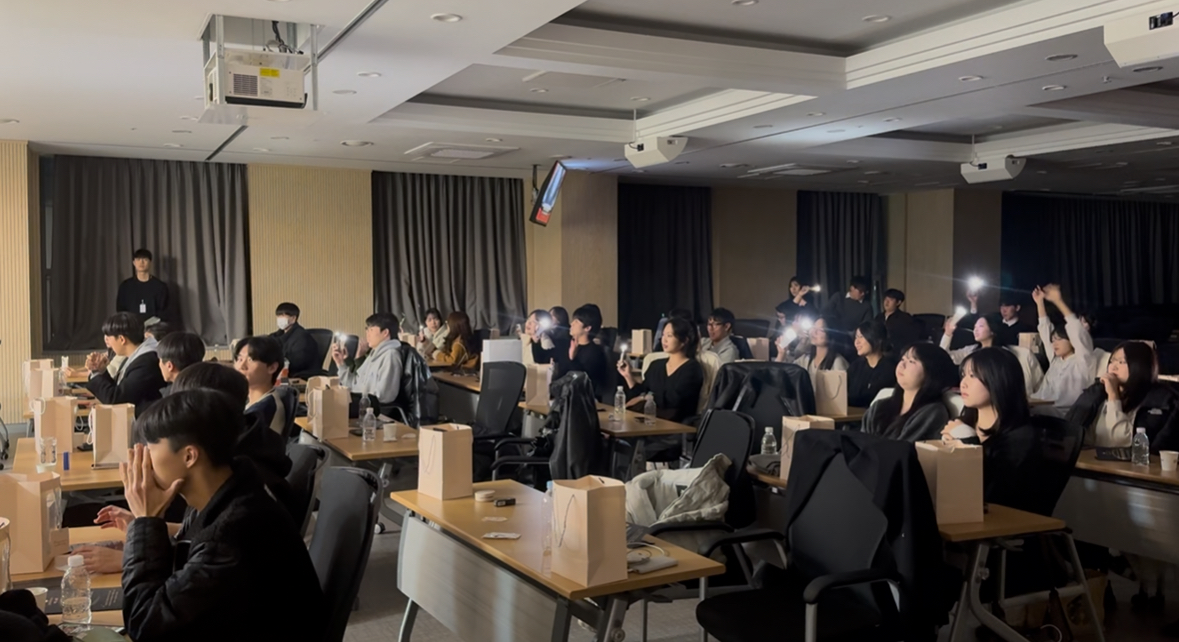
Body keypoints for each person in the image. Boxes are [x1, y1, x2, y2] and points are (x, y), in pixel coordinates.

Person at [117, 390, 325, 642]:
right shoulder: (230, 492)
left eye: (150, 448)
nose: (143, 462)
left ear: (189, 456)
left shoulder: (230, 535)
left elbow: (145, 625)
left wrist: (145, 523)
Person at [77, 362, 296, 575]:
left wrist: (143, 531)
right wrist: (145, 529)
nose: (145, 458)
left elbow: (207, 552)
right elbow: (195, 540)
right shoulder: (233, 473)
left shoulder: (234, 516)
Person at [1067, 342, 1179, 450]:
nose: (1113, 367)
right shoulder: (1097, 392)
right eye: (1112, 361)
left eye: (1121, 362)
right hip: (1087, 460)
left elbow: (1120, 443)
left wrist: (1113, 395)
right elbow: (1072, 433)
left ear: (1139, 365)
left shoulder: (1158, 400)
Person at [861, 343, 958, 442]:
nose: (902, 365)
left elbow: (901, 448)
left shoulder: (933, 412)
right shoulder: (879, 406)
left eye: (911, 361)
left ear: (931, 371)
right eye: (903, 359)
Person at [617, 317, 705, 423]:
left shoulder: (692, 368)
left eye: (669, 336)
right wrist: (628, 376)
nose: (664, 340)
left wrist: (645, 397)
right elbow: (641, 393)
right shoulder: (656, 365)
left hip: (675, 424)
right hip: (648, 419)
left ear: (684, 341)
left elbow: (675, 400)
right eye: (663, 335)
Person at [941, 313, 1043, 396]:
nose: (975, 329)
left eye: (981, 326)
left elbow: (1039, 383)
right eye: (974, 327)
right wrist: (948, 334)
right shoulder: (972, 352)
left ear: (993, 330)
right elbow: (943, 356)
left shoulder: (1019, 354)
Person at [85, 312, 166, 416]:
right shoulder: (138, 355)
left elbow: (118, 399)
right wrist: (100, 370)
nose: (107, 342)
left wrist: (95, 374)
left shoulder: (146, 361)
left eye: (109, 337)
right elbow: (120, 389)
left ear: (122, 339)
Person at [1030, 285, 1096, 410]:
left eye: (1059, 339)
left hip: (1061, 413)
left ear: (1072, 341)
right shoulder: (1055, 358)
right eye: (1053, 340)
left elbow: (1076, 330)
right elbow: (1045, 329)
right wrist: (1039, 302)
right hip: (1039, 405)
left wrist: (1058, 301)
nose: (1055, 344)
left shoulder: (1082, 361)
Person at [333, 313, 403, 406]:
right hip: (361, 403)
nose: (367, 334)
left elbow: (383, 396)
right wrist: (341, 363)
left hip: (373, 409)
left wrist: (357, 399)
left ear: (385, 332)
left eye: (371, 330)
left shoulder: (391, 356)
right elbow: (353, 384)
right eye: (367, 329)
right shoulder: (373, 354)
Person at [553, 304, 610, 397]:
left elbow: (583, 381)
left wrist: (572, 359)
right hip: (563, 395)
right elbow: (560, 376)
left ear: (587, 328)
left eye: (576, 322)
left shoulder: (595, 352)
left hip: (582, 399)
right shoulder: (569, 345)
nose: (571, 324)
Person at [235, 336, 287, 436]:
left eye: (250, 360)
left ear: (272, 368)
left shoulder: (265, 409)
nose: (241, 366)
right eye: (239, 359)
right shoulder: (253, 401)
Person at [775, 316, 848, 378]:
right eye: (814, 327)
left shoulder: (837, 363)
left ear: (831, 335)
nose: (814, 332)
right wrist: (781, 354)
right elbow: (785, 375)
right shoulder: (805, 359)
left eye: (821, 330)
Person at [847, 321, 897, 408]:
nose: (857, 342)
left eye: (861, 337)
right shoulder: (856, 366)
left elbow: (871, 398)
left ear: (876, 339)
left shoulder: (889, 369)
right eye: (856, 337)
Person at [116, 248, 169, 324]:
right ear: (134, 262)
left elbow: (164, 312)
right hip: (131, 325)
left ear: (150, 262)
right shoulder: (125, 286)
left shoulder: (160, 286)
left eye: (145, 259)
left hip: (154, 326)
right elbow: (121, 310)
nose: (141, 262)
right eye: (138, 259)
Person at [269, 302, 319, 378]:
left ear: (293, 318)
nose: (280, 318)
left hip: (297, 376)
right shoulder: (275, 336)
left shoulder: (302, 337)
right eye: (278, 316)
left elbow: (297, 363)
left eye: (283, 315)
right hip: (281, 373)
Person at [876, 288, 919, 355]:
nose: (886, 302)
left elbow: (908, 339)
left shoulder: (905, 318)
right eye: (885, 299)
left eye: (890, 300)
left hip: (896, 352)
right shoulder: (879, 317)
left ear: (898, 302)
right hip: (879, 351)